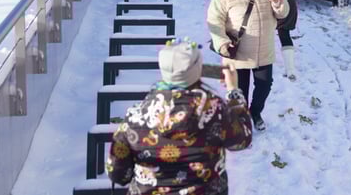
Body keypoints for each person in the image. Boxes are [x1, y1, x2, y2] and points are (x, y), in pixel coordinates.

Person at [106, 39, 253, 193]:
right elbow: (242, 140)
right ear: (198, 70)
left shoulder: (135, 118)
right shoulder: (215, 111)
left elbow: (118, 175)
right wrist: (233, 91)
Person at [207, 0, 288, 130]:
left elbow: (283, 12)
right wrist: (221, 42)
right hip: (239, 52)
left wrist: (277, 3)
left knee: (265, 85)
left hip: (264, 49)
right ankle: (242, 119)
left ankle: (256, 112)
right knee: (240, 90)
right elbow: (214, 18)